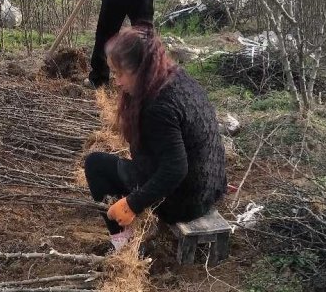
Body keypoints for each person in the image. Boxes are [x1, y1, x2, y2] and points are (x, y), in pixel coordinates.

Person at [84, 26, 227, 237]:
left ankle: (124, 248)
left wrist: (132, 204)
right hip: (209, 188)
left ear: (140, 69)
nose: (117, 81)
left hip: (185, 201)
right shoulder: (177, 77)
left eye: (120, 73)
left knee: (95, 165)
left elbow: (176, 168)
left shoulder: (158, 107)